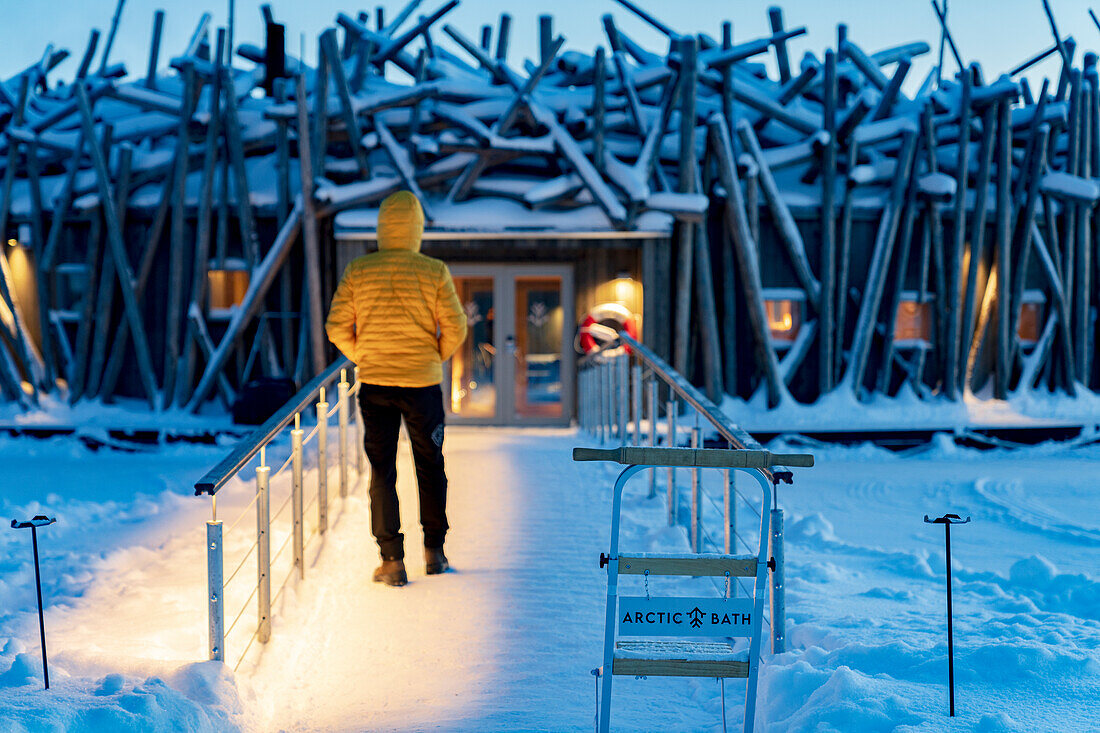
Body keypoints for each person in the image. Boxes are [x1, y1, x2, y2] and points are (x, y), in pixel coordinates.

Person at [325, 191, 467, 587]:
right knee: (431, 464)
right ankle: (435, 552)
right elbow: (456, 327)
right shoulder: (434, 270)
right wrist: (431, 355)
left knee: (382, 470)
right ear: (417, 229)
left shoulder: (359, 269)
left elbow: (336, 326)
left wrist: (365, 354)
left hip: (376, 386)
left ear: (382, 227)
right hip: (422, 386)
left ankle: (391, 561)